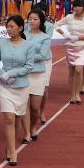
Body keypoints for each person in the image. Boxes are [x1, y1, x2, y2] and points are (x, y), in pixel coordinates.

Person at [0, 15, 36, 166]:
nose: (8, 30)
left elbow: (29, 67)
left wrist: (12, 73)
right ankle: (13, 152)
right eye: (7, 27)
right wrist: (2, 74)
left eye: (12, 27)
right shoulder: (1, 43)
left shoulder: (28, 46)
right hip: (5, 86)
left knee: (17, 119)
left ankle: (10, 147)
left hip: (21, 86)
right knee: (9, 118)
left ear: (20, 28)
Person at [24, 8, 54, 141]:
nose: (32, 21)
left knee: (35, 107)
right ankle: (26, 132)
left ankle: (32, 125)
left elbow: (42, 55)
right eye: (30, 19)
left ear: (41, 21)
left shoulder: (45, 37)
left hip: (37, 73)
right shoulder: (23, 32)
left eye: (35, 19)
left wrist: (24, 55)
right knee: (24, 105)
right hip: (23, 73)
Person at [55, 0, 84, 105]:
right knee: (71, 73)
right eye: (74, 6)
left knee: (79, 70)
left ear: (83, 7)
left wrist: (78, 38)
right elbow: (56, 25)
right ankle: (72, 95)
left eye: (79, 6)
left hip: (82, 47)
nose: (77, 8)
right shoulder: (69, 17)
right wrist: (65, 34)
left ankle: (77, 94)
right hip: (71, 48)